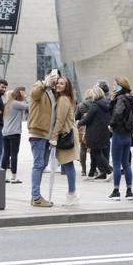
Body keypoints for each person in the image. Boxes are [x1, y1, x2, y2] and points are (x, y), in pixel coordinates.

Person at [28, 70, 59, 207]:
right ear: (46, 76)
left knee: (42, 165)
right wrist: (45, 84)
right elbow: (34, 94)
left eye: (57, 78)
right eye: (53, 77)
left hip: (47, 135)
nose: (54, 80)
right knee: (38, 165)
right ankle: (36, 197)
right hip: (38, 133)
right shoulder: (39, 86)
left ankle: (35, 196)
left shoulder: (52, 92)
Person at [50, 77, 80, 205]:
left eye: (62, 83)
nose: (58, 85)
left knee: (68, 165)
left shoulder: (63, 99)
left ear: (66, 86)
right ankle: (72, 193)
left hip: (66, 135)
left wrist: (54, 137)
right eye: (57, 83)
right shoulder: (65, 98)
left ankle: (72, 194)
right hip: (68, 133)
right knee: (67, 165)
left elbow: (60, 120)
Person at [108, 77, 133, 201]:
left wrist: (112, 125)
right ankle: (129, 190)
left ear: (120, 86)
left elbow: (117, 113)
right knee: (126, 164)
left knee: (116, 164)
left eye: (115, 85)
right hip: (127, 135)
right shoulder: (130, 99)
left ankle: (116, 191)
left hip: (118, 134)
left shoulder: (120, 99)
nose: (113, 87)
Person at [78, 87, 113, 181]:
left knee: (95, 152)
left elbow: (87, 119)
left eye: (93, 94)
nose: (91, 96)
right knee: (95, 153)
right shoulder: (106, 104)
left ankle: (109, 171)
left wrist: (78, 123)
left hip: (94, 133)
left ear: (95, 94)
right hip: (104, 132)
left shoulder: (95, 105)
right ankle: (91, 174)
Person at [2, 87, 28, 183]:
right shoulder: (15, 103)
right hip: (14, 133)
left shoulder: (7, 104)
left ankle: (2, 176)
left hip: (5, 132)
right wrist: (25, 97)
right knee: (14, 154)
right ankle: (14, 177)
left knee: (6, 154)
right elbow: (28, 106)